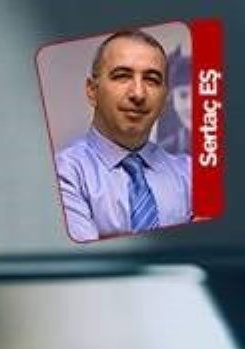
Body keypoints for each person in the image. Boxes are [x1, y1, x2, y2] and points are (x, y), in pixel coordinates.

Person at [55, 29, 191, 243]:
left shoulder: (189, 173)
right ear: (92, 91)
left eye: (151, 80)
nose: (138, 94)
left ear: (165, 99)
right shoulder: (65, 173)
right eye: (122, 76)